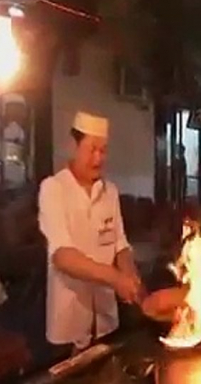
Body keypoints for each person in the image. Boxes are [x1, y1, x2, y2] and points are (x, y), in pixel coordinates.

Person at [38, 111, 144, 353]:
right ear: (72, 146)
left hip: (106, 319)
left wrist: (129, 274)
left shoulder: (110, 192)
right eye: (92, 149)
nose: (98, 158)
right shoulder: (53, 189)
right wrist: (115, 278)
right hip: (69, 322)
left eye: (104, 150)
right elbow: (63, 256)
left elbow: (120, 245)